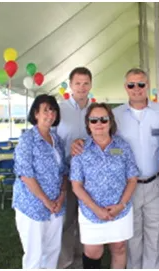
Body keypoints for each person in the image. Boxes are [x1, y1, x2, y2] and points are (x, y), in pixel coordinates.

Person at [71, 68, 159, 269]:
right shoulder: (116, 114)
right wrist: (78, 142)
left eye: (141, 84)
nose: (136, 89)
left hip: (156, 182)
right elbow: (97, 134)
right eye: (131, 85)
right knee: (131, 239)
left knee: (156, 235)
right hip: (128, 189)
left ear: (147, 85)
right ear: (125, 87)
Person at [70, 103, 139, 269]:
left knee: (119, 248)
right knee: (93, 251)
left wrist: (121, 205)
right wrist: (96, 209)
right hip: (91, 211)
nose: (99, 123)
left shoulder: (122, 146)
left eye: (103, 119)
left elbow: (132, 178)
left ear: (110, 122)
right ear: (88, 123)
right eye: (94, 120)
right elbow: (76, 186)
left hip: (119, 210)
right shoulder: (80, 149)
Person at [13, 94, 67, 269]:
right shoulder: (27, 139)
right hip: (32, 206)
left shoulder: (57, 140)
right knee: (34, 256)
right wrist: (47, 201)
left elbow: (63, 172)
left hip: (56, 208)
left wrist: (60, 198)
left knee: (52, 253)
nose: (50, 114)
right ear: (36, 113)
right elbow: (26, 175)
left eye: (53, 110)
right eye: (45, 110)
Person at [56, 67, 92, 268]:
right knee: (67, 220)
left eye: (85, 83)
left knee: (86, 219)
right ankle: (65, 262)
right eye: (77, 83)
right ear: (70, 85)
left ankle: (83, 260)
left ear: (91, 85)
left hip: (90, 179)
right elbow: (50, 140)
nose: (81, 87)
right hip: (67, 176)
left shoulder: (95, 112)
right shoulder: (59, 110)